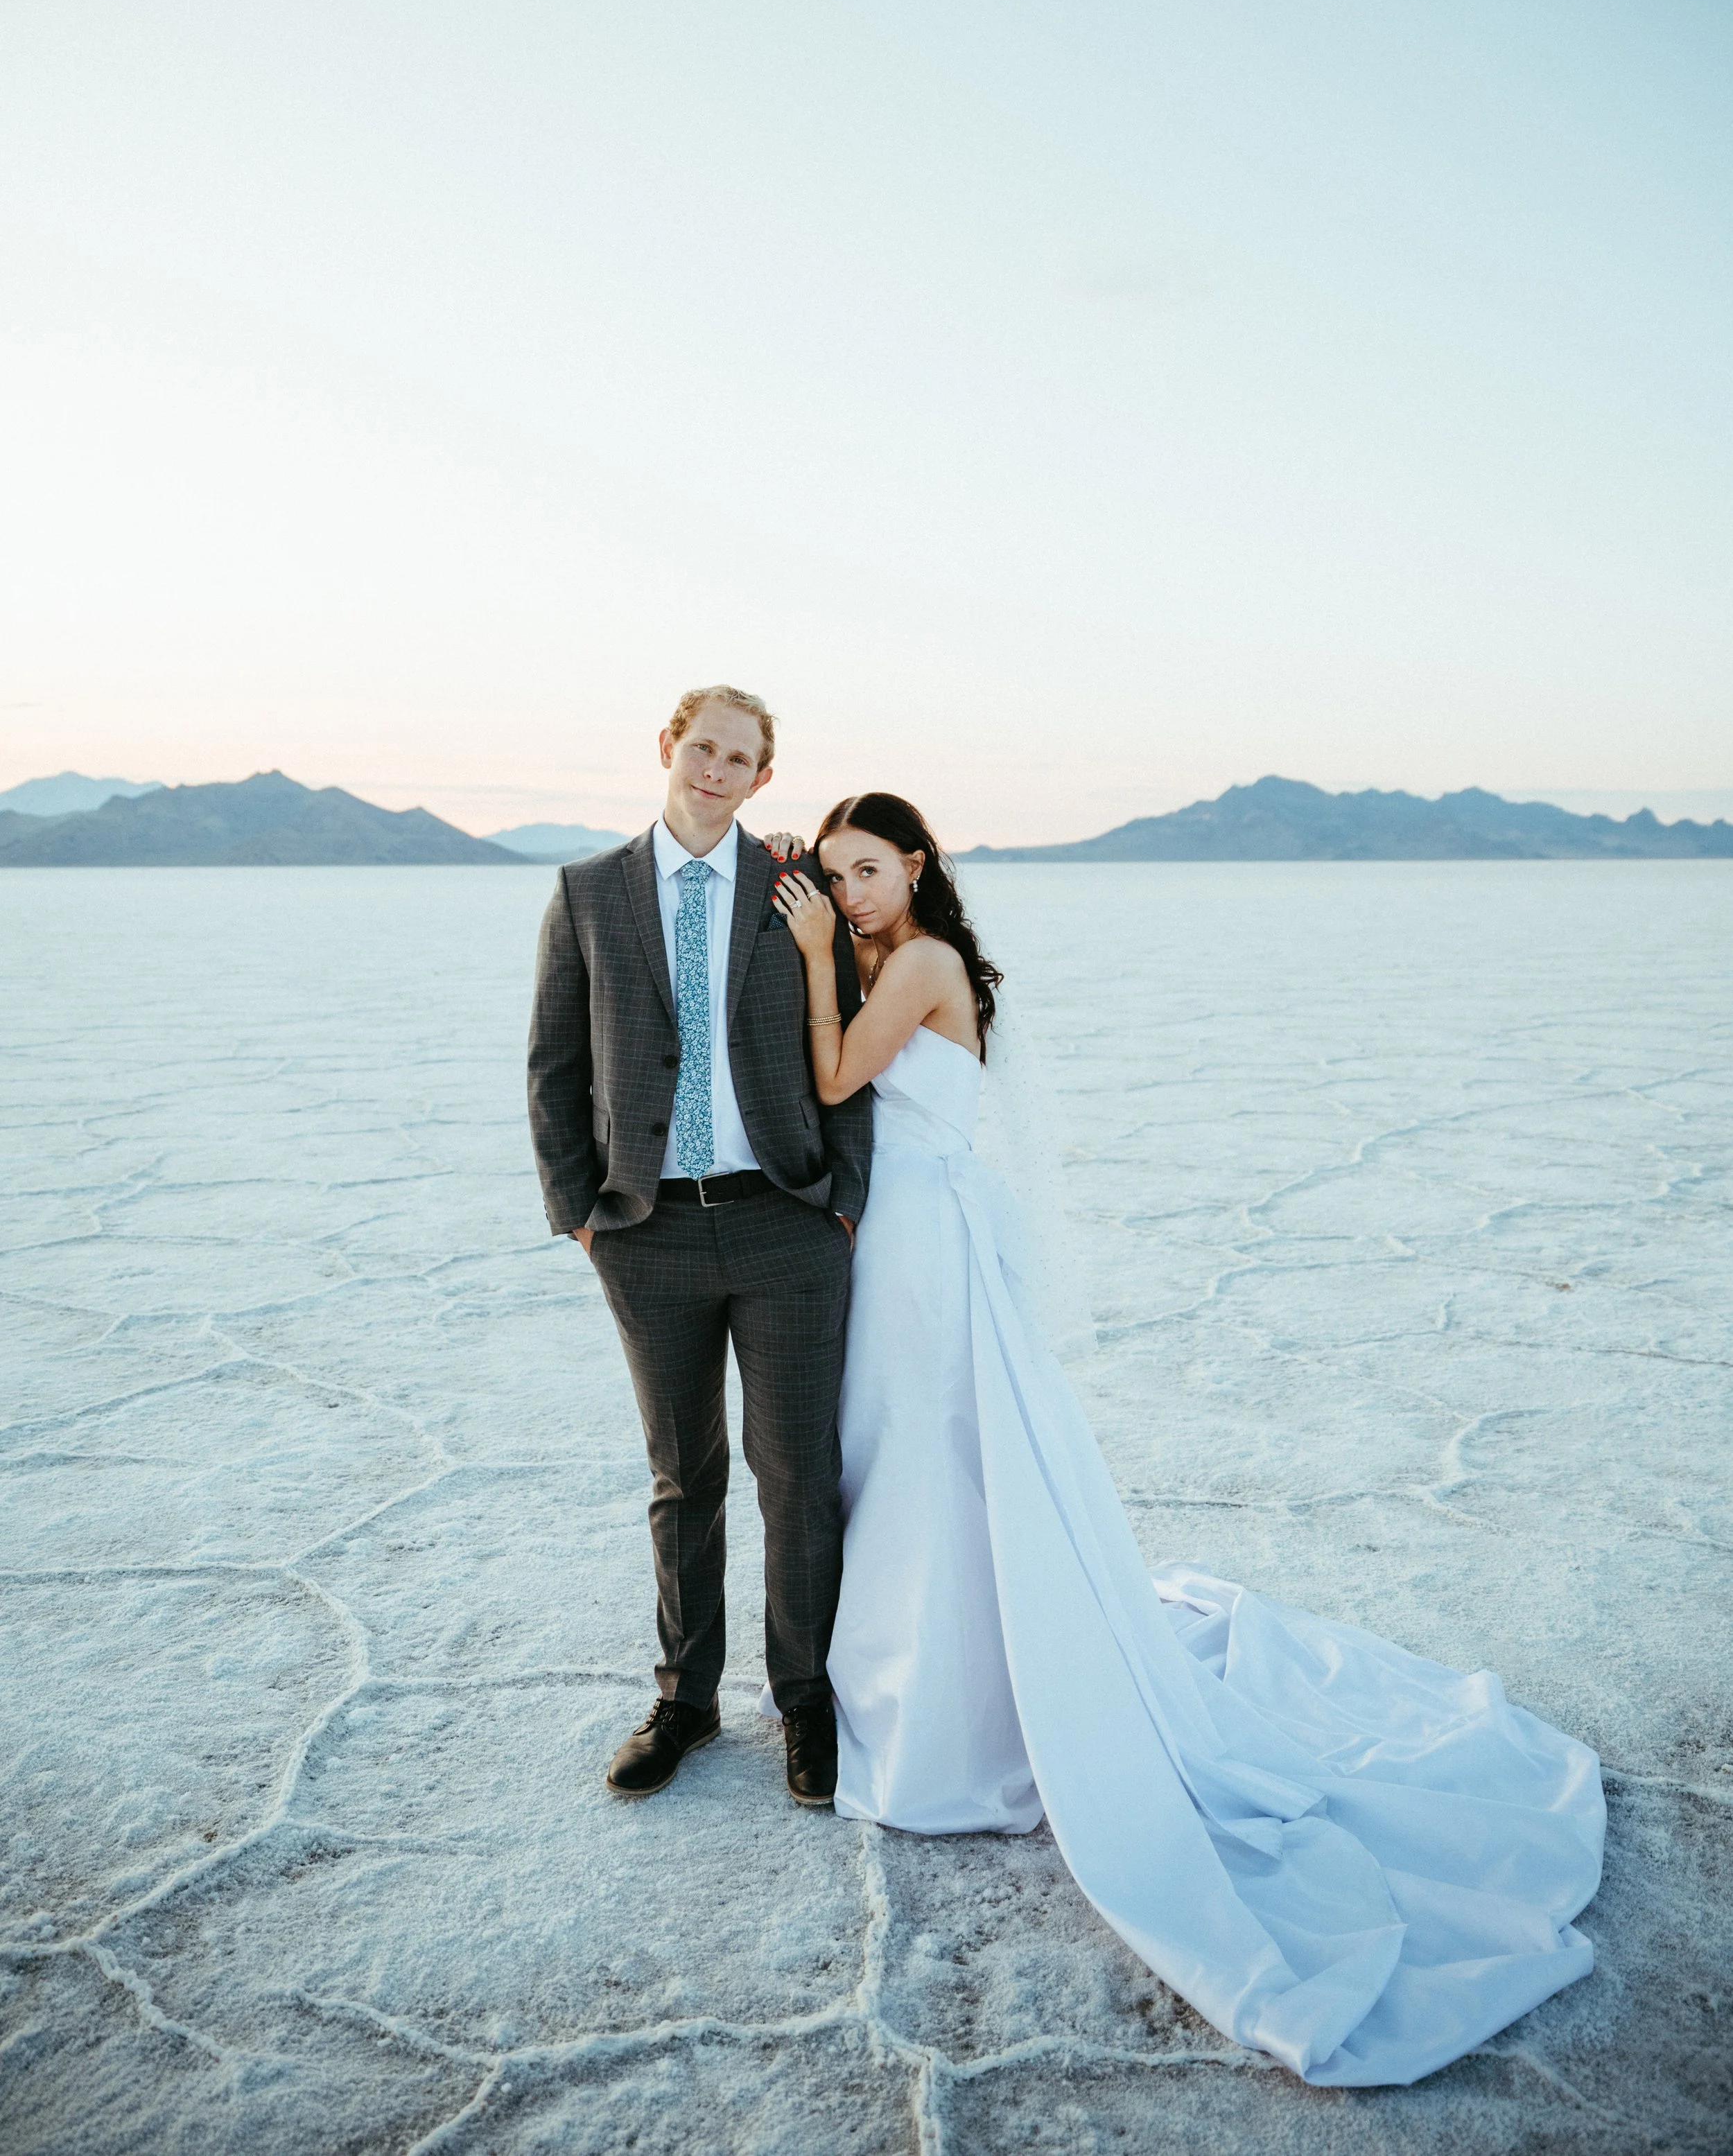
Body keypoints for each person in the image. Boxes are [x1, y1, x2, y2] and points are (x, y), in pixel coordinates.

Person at [772, 791, 1606, 2089]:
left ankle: (962, 1712)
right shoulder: (879, 955)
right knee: (898, 1460)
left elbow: (835, 1079)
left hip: (930, 1240)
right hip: (895, 1238)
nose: (854, 892)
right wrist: (824, 950)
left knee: (943, 1461)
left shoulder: (918, 960)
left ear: (918, 866)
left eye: (869, 870)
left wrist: (819, 951)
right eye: (835, 876)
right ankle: (913, 1676)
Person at [527, 688, 871, 1807]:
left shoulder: (796, 886)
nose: (717, 769)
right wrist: (582, 1212)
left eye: (743, 758)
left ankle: (806, 1695)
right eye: (704, 748)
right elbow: (552, 1068)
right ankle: (686, 1698)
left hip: (786, 1221)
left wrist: (843, 1196)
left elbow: (852, 1042)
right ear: (668, 749)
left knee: (797, 1474)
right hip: (650, 1228)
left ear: (764, 779)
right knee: (686, 1478)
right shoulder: (587, 893)